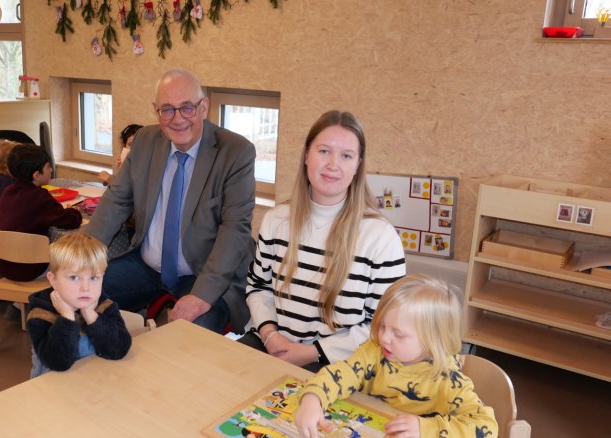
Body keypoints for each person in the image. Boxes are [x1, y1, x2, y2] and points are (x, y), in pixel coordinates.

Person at [85, 69, 256, 333]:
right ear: (156, 111)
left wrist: (202, 295)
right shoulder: (144, 141)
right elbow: (117, 200)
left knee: (190, 339)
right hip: (146, 266)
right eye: (167, 110)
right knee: (75, 293)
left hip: (203, 274)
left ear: (204, 107)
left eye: (187, 108)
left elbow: (234, 232)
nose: (177, 119)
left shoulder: (235, 152)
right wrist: (84, 256)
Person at [240, 110, 406, 372]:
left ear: (357, 166)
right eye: (324, 151)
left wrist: (309, 353)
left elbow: (382, 325)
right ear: (306, 155)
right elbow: (258, 287)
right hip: (271, 345)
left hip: (339, 365)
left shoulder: (380, 237)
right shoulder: (276, 220)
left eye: (346, 156)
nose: (332, 165)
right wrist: (271, 336)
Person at [293, 274, 498, 438]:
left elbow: (486, 426)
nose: (384, 337)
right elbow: (340, 373)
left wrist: (424, 429)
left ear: (431, 342)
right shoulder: (374, 351)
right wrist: (312, 399)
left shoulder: (448, 380)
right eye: (382, 325)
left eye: (398, 334)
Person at [26, 233, 132, 378]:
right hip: (54, 388)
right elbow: (58, 362)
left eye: (94, 277)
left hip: (95, 381)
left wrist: (91, 315)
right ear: (53, 279)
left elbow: (119, 349)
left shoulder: (104, 305)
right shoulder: (40, 313)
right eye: (74, 277)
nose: (85, 287)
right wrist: (67, 318)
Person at [0, 143, 82, 281]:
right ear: (36, 175)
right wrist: (75, 211)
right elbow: (70, 220)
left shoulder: (7, 192)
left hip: (5, 266)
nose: (51, 170)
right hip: (30, 268)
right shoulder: (39, 197)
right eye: (48, 167)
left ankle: (18, 302)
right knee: (70, 260)